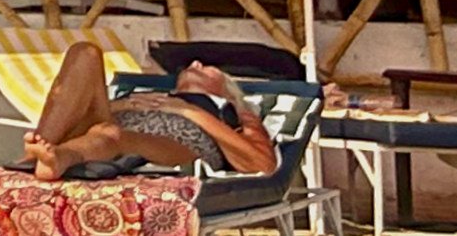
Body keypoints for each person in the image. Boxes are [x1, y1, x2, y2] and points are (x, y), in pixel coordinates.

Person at [17, 46, 277, 182]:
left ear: (227, 89)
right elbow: (94, 114)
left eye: (207, 67)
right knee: (85, 52)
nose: (195, 64)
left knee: (110, 132)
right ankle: (34, 157)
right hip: (108, 124)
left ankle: (56, 158)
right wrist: (122, 105)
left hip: (172, 144)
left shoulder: (233, 109)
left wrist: (189, 111)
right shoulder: (152, 95)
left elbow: (262, 163)